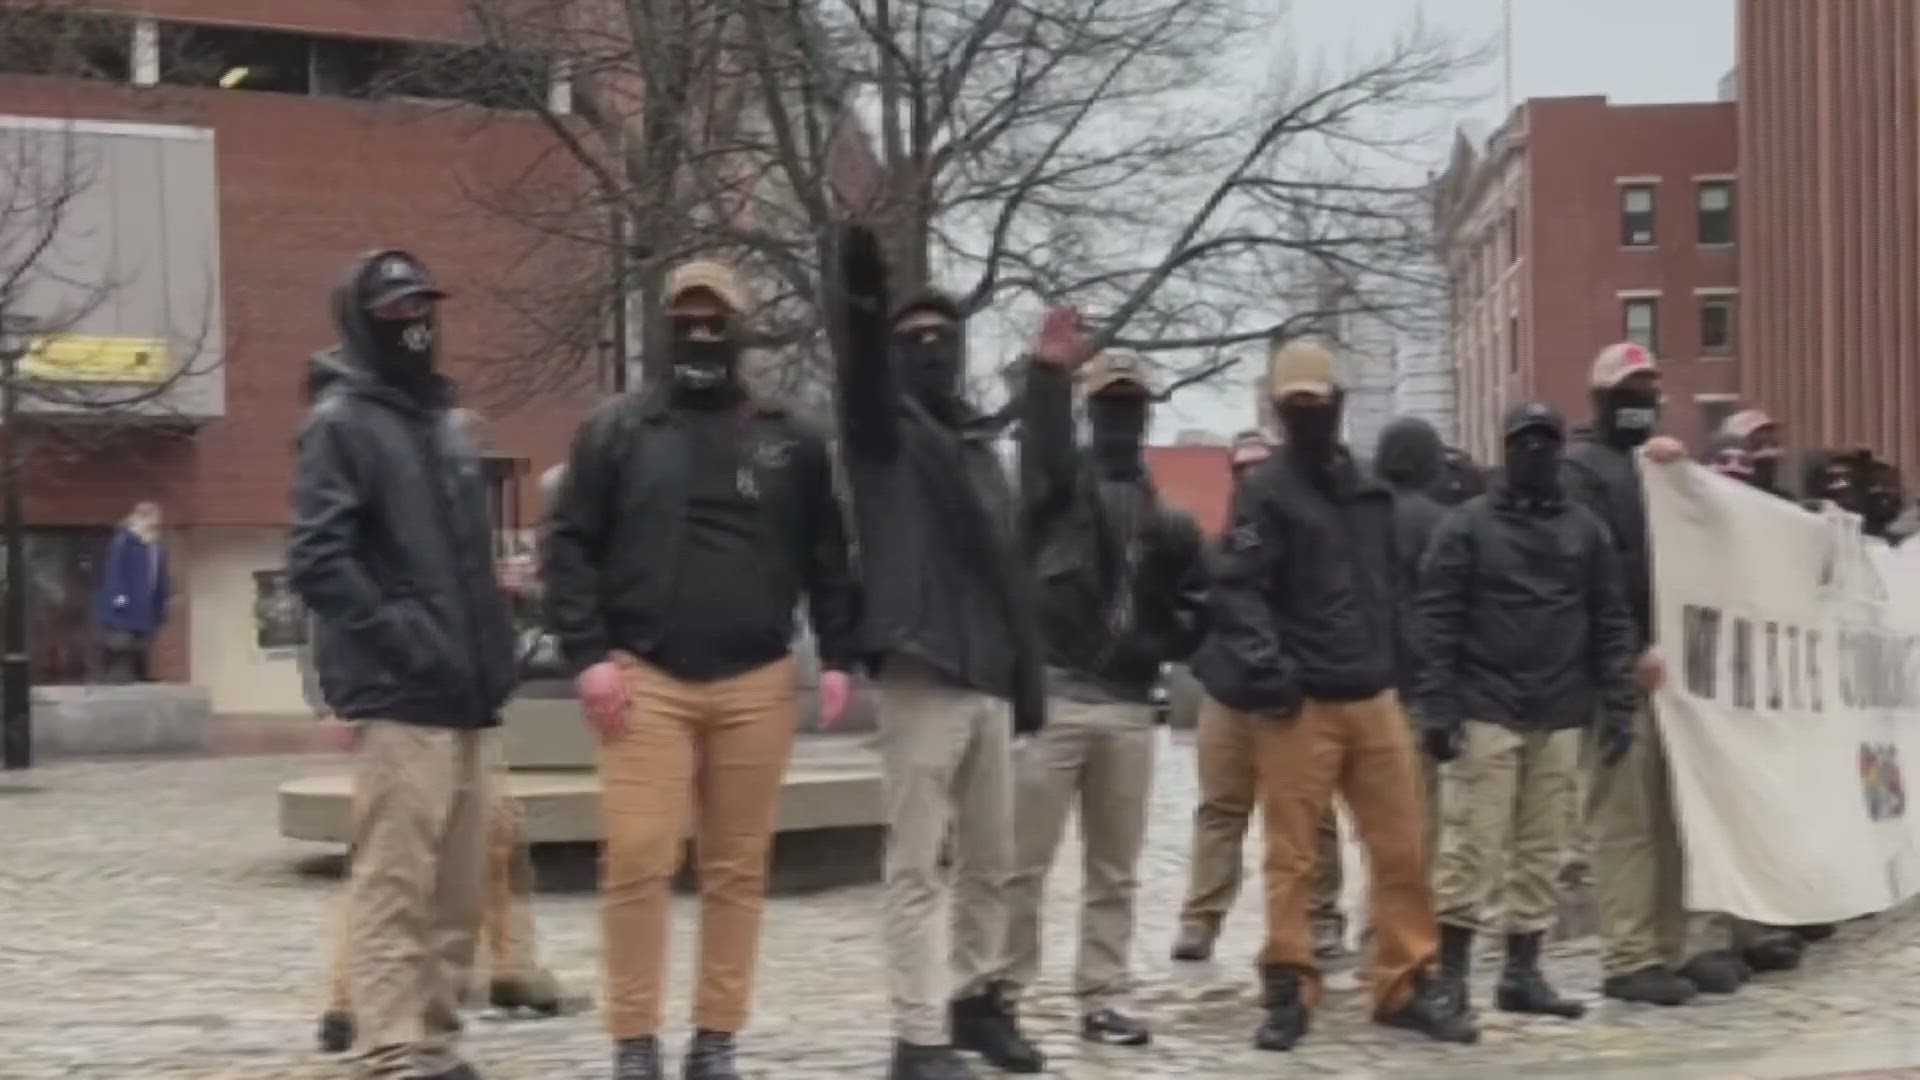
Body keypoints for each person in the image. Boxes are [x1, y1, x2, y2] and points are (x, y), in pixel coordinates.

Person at [542, 260, 861, 1080]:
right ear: (664, 325)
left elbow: (828, 555)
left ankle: (716, 1035)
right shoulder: (616, 431)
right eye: (686, 317)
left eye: (716, 318)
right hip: (643, 674)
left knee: (737, 866)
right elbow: (570, 545)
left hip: (756, 677)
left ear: (740, 329)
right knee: (639, 856)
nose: (701, 331)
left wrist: (838, 653)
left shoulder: (792, 438)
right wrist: (589, 658)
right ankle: (634, 1038)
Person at [1191, 338, 1477, 1052]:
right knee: (1294, 858)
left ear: (1338, 406)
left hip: (1374, 693)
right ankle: (1289, 985)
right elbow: (1238, 589)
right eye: (1298, 406)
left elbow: (1396, 594)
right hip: (1302, 704)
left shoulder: (1372, 494)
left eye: (1316, 403)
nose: (1309, 415)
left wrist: (1409, 677)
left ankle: (1406, 981)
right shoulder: (1266, 493)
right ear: (1284, 411)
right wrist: (1272, 673)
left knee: (1403, 849)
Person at [288, 249, 519, 1080]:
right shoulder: (343, 423)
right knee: (396, 883)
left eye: (424, 305)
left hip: (466, 691)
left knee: (459, 891)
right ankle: (391, 1047)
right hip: (400, 692)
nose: (414, 324)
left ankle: (435, 1040)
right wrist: (403, 635)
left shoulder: (442, 427)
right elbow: (319, 556)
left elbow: (457, 557)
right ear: (362, 321)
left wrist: (493, 635)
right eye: (394, 312)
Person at [825, 223, 1047, 1080]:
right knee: (918, 864)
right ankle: (917, 1035)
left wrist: (1026, 682)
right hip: (923, 669)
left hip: (988, 673)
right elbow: (863, 381)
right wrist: (859, 287)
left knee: (994, 860)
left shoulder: (978, 448)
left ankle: (974, 1001)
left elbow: (1010, 574)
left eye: (941, 340)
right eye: (910, 339)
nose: (928, 350)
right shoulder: (885, 438)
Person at [304, 365, 573, 1058]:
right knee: (394, 868)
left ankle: (429, 1023)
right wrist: (344, 697)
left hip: (463, 697)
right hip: (400, 697)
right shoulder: (348, 455)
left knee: (463, 859)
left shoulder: (446, 522)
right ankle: (374, 1024)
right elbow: (328, 587)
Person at [998, 327, 1208, 1047]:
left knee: (1114, 871)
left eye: (1132, 404)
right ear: (1092, 411)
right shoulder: (1055, 496)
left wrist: (1165, 641)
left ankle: (1104, 994)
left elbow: (1198, 607)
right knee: (1023, 863)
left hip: (1127, 708)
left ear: (1146, 413)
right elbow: (1044, 450)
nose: (1122, 417)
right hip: (1054, 699)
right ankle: (1003, 988)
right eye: (1109, 404)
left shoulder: (1168, 520)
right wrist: (1048, 378)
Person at [1414, 400, 1637, 1020]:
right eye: (1524, 441)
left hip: (1560, 709)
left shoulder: (1586, 530)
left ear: (1559, 449)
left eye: (1545, 441)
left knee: (1543, 850)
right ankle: (1452, 974)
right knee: (1471, 846)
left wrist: (1617, 704)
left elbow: (1609, 619)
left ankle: (1522, 971)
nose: (1535, 452)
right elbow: (1436, 620)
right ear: (1506, 448)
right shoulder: (1465, 526)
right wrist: (1438, 706)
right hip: (1485, 706)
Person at [1561, 341, 1735, 1007]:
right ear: (1601, 397)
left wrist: (1684, 480)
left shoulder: (1656, 468)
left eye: (1649, 386)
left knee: (1674, 813)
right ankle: (1630, 953)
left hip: (1675, 672)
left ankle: (1670, 946)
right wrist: (1624, 653)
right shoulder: (1581, 474)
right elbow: (1590, 575)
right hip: (1620, 676)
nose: (1642, 397)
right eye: (1628, 387)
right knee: (1625, 818)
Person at [1174, 429, 1348, 964]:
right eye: (1241, 468)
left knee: (1310, 813)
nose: (1251, 478)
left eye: (1259, 466)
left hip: (1296, 697)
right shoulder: (1219, 546)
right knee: (1220, 811)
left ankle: (1321, 918)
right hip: (1229, 695)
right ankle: (1200, 920)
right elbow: (1195, 609)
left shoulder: (1312, 540)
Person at [93, 501, 170, 683]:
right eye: (151, 520)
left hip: (146, 604)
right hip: (126, 603)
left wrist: (161, 603)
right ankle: (113, 676)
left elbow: (159, 577)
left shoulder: (155, 547)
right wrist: (119, 598)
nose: (154, 525)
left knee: (141, 642)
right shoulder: (124, 542)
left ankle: (139, 675)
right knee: (121, 641)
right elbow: (116, 572)